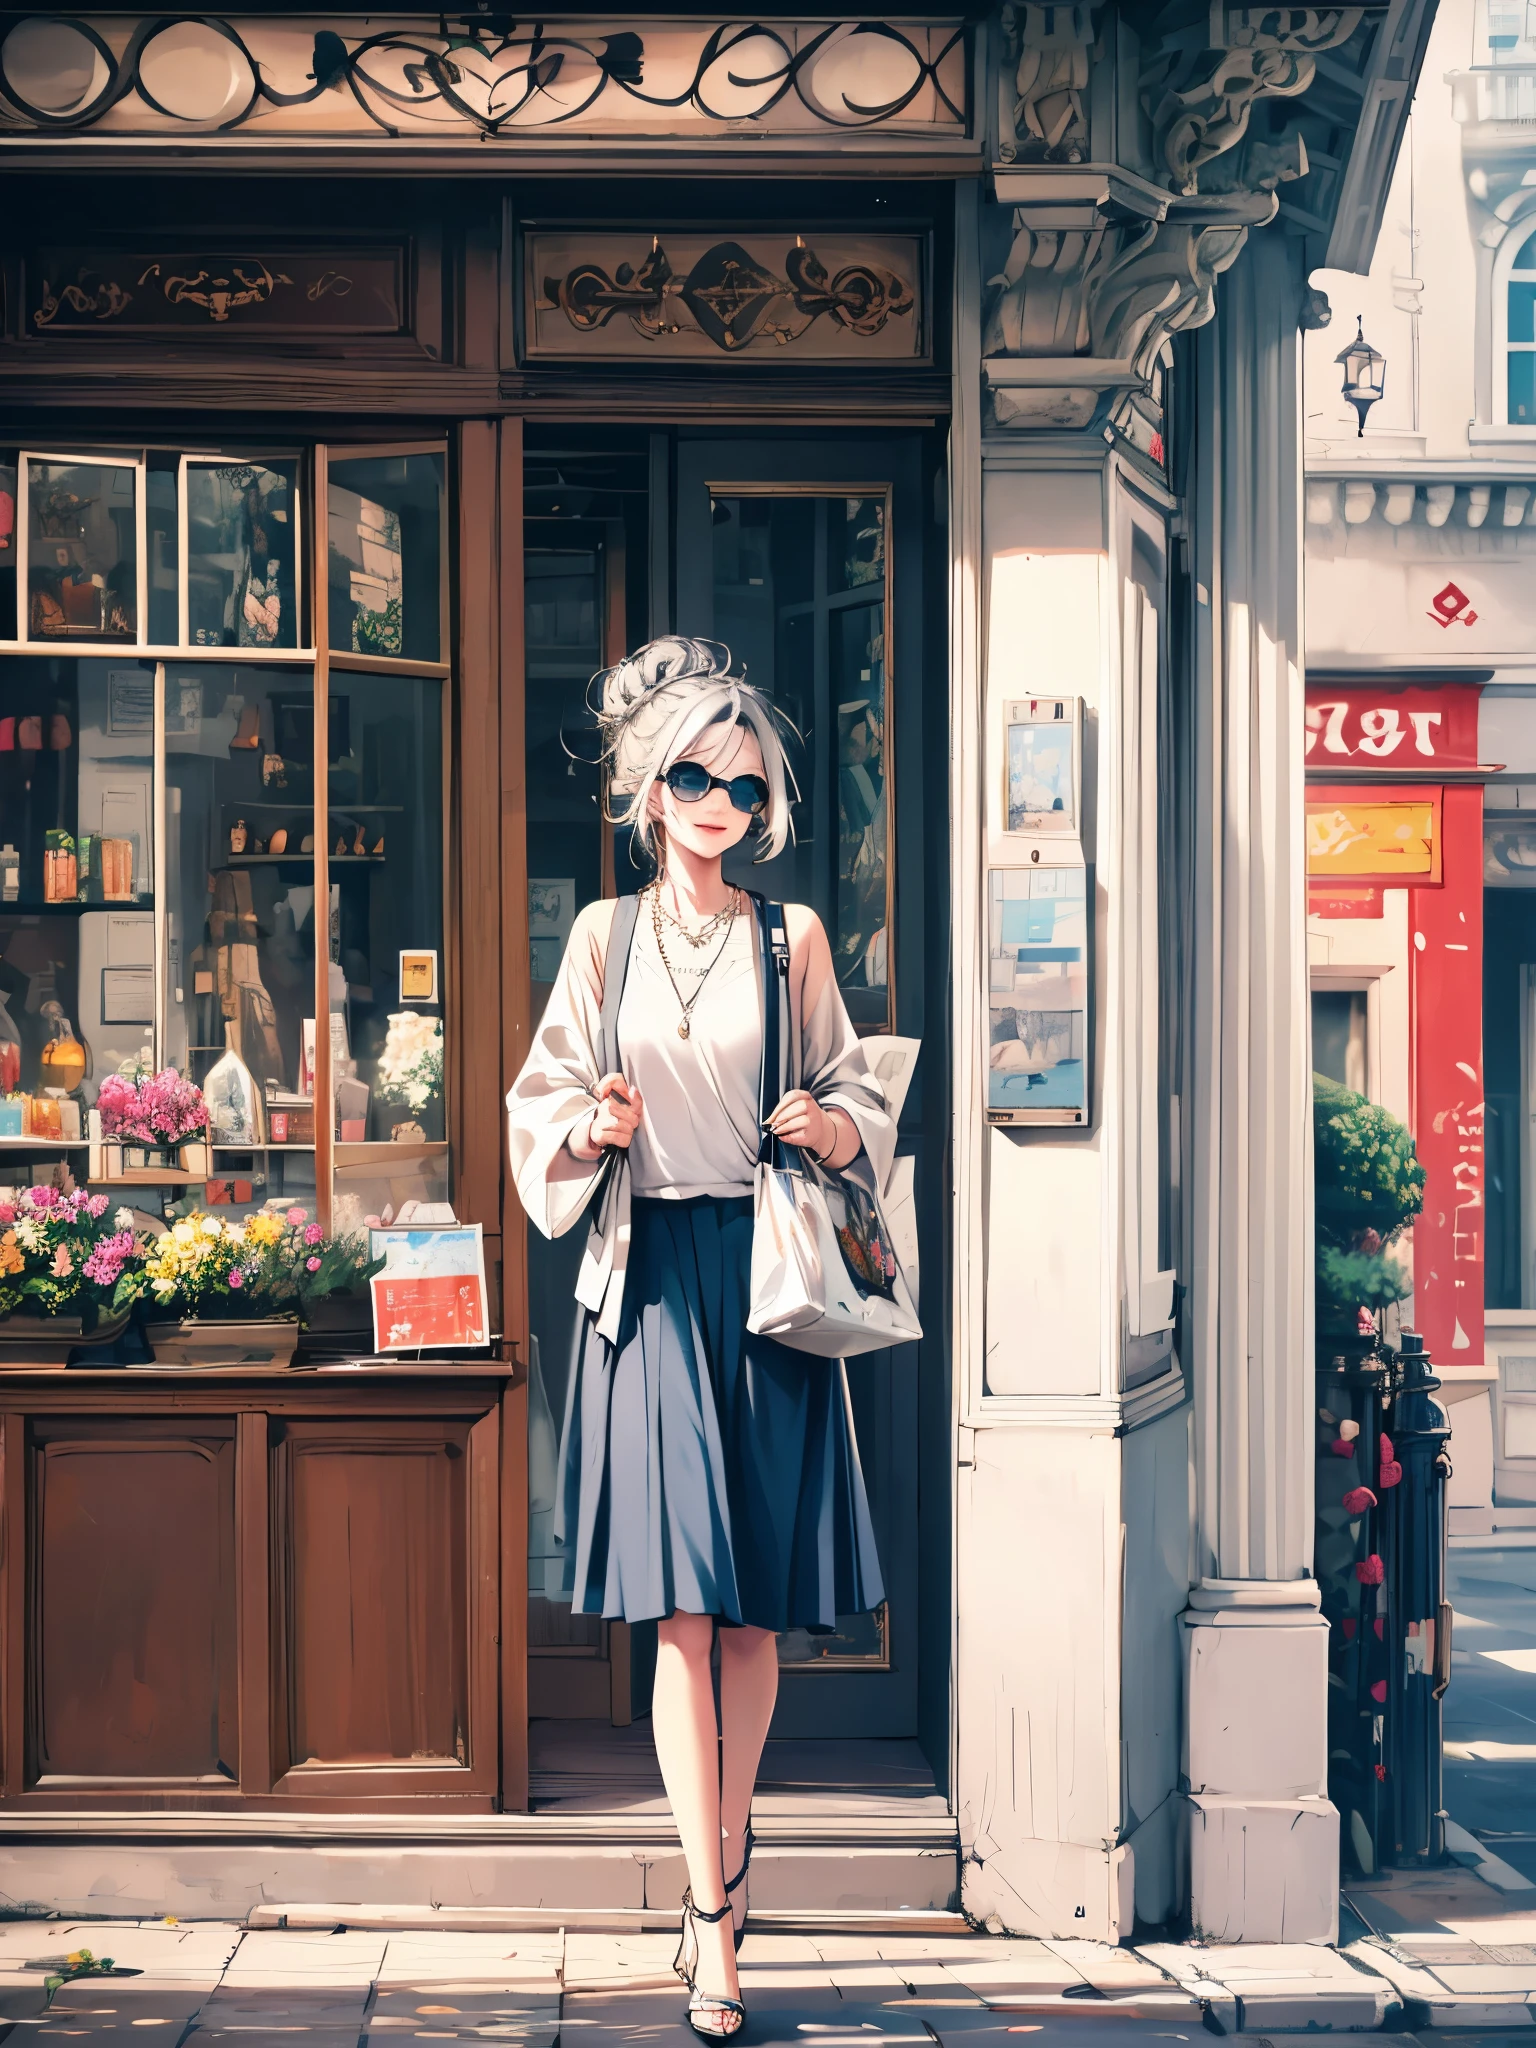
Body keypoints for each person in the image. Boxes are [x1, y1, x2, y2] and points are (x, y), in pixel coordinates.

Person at [506, 636, 891, 2040]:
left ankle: (724, 1876)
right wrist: (593, 1126)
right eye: (691, 772)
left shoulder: (791, 939)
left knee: (757, 1606)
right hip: (651, 1270)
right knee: (681, 1605)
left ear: (763, 796)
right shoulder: (603, 937)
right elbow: (539, 1098)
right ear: (647, 788)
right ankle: (712, 1914)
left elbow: (857, 1092)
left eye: (741, 776)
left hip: (769, 1277)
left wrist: (836, 1124)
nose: (718, 796)